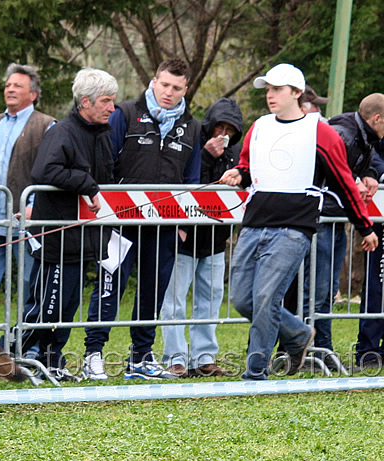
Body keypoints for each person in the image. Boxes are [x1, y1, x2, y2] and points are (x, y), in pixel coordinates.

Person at [219, 63, 378, 380]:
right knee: (240, 298)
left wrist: (365, 227)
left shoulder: (321, 132)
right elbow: (248, 167)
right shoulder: (260, 126)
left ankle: (255, 372)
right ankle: (297, 333)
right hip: (254, 224)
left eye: (277, 90)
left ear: (296, 93)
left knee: (266, 298)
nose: (270, 95)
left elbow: (345, 184)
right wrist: (239, 174)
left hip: (295, 228)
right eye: (267, 90)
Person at [81, 57, 201, 381]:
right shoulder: (125, 114)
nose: (169, 92)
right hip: (120, 220)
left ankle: (141, 357)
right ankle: (93, 353)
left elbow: (192, 180)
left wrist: (183, 224)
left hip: (164, 225)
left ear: (185, 89)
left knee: (153, 290)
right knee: (109, 286)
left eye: (176, 88)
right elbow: (106, 165)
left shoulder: (192, 126)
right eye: (164, 84)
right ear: (153, 81)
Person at [19, 67, 117, 381]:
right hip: (56, 237)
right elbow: (44, 172)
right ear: (85, 102)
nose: (111, 108)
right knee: (46, 306)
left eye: (113, 101)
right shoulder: (62, 132)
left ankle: (54, 362)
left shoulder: (103, 134)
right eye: (105, 101)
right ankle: (14, 357)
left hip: (83, 238)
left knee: (68, 306)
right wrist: (85, 183)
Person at [0, 63, 55, 341]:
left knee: (30, 285)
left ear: (34, 94)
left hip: (26, 224)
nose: (10, 89)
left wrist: (37, 206)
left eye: (17, 85)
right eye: (7, 85)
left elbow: (51, 171)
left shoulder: (46, 125)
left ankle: (22, 344)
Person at [160, 97, 243, 378]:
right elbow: (189, 183)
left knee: (210, 300)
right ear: (209, 125)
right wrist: (208, 156)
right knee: (174, 300)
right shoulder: (195, 145)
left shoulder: (237, 154)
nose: (223, 134)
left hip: (217, 240)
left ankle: (204, 358)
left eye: (230, 129)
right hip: (184, 238)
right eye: (219, 126)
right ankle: (175, 358)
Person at [333, 93, 384, 369]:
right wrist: (374, 175)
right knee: (377, 283)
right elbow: (373, 158)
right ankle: (368, 350)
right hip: (379, 217)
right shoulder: (363, 131)